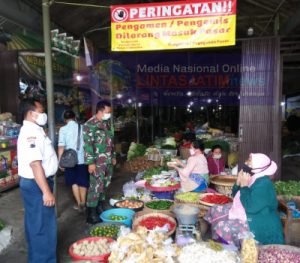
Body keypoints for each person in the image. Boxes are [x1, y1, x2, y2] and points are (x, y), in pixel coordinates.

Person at [204, 153, 284, 247]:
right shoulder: (254, 177)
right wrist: (238, 182)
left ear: (258, 167)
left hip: (257, 221)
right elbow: (236, 195)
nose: (246, 162)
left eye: (250, 161)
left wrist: (244, 186)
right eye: (248, 159)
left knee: (223, 227)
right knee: (215, 209)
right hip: (246, 210)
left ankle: (230, 249)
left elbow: (250, 207)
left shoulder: (264, 184)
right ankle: (220, 239)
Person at [18, 98, 58, 263]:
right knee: (43, 228)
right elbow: (35, 165)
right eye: (41, 111)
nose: (44, 115)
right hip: (37, 185)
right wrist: (46, 192)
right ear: (31, 113)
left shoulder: (35, 130)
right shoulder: (31, 133)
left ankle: (37, 258)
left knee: (35, 225)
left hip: (35, 184)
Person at [83, 100, 116, 224]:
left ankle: (99, 207)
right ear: (100, 111)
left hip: (107, 160)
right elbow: (87, 145)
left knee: (104, 185)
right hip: (97, 162)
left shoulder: (107, 124)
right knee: (95, 187)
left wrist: (113, 156)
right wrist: (90, 162)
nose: (109, 114)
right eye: (108, 112)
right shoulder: (89, 125)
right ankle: (91, 214)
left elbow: (111, 142)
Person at [58, 110, 89, 212]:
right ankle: (83, 202)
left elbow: (61, 147)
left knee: (74, 182)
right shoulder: (83, 127)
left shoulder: (63, 129)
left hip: (69, 161)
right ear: (75, 117)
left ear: (64, 119)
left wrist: (60, 161)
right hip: (82, 159)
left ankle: (79, 202)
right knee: (82, 182)